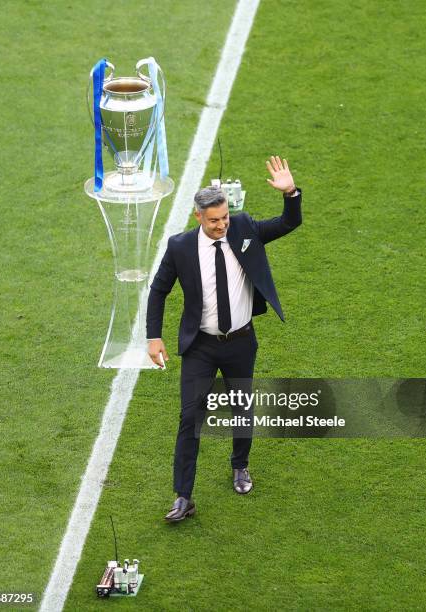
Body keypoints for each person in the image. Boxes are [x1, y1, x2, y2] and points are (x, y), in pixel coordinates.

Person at [146, 155, 302, 522]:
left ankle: (240, 466)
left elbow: (289, 222)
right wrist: (154, 336)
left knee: (242, 408)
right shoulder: (180, 247)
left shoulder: (244, 228)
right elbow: (157, 291)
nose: (221, 226)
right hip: (200, 346)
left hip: (240, 341)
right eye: (214, 220)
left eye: (225, 218)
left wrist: (290, 192)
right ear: (198, 216)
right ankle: (183, 496)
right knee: (190, 418)